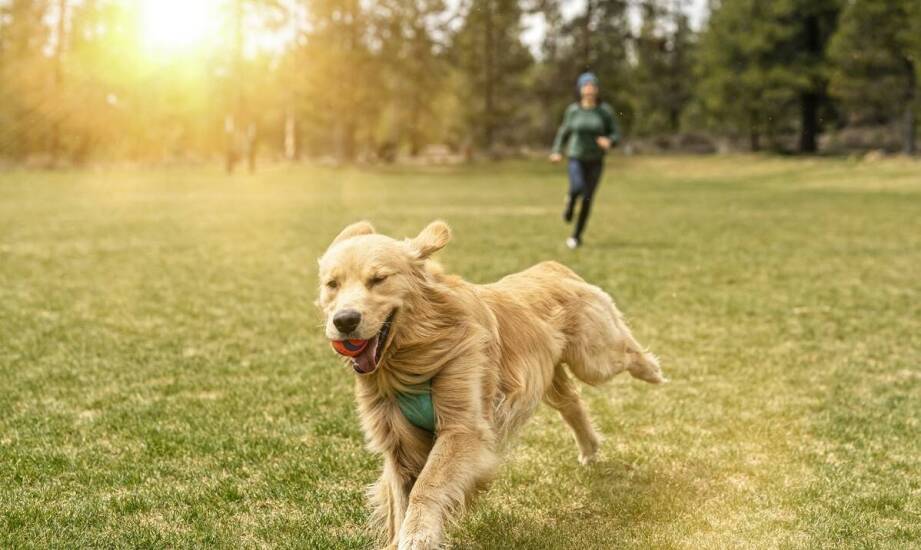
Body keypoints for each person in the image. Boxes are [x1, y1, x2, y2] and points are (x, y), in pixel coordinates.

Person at [550, 72, 620, 249]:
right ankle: (570, 204)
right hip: (576, 157)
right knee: (577, 187)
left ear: (596, 90)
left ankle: (576, 236)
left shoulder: (604, 111)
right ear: (580, 89)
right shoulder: (573, 111)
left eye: (592, 86)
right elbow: (563, 132)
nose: (589, 90)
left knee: (588, 199)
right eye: (586, 86)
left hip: (596, 160)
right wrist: (557, 151)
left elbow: (616, 133)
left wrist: (609, 141)